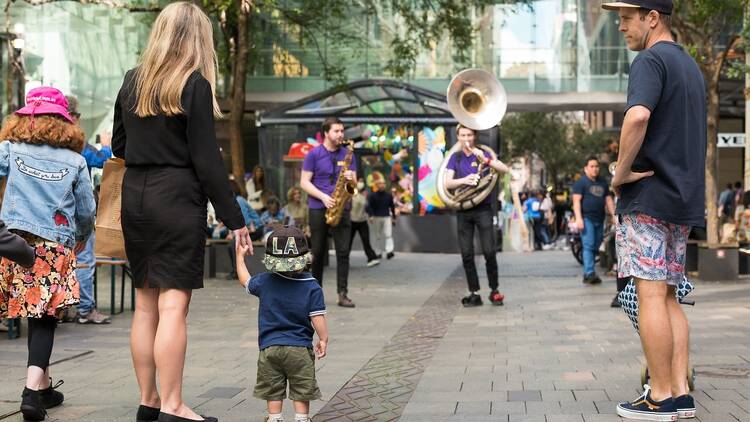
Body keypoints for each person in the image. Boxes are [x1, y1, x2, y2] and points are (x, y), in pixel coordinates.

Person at [112, 3, 252, 422]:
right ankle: (174, 405)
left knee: (145, 305)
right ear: (197, 38)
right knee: (173, 308)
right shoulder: (192, 84)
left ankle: (149, 400)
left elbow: (119, 145)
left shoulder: (132, 81)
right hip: (175, 197)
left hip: (134, 197)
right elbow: (207, 161)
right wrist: (236, 218)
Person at [603, 0, 706, 420]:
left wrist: (619, 174)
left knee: (648, 293)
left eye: (627, 18)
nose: (620, 26)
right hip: (681, 200)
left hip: (648, 197)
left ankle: (659, 396)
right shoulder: (691, 67)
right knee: (668, 296)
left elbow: (638, 116)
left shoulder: (650, 60)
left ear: (652, 18)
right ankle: (681, 393)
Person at [0, 87, 97, 421]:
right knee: (44, 318)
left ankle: (42, 388)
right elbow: (86, 209)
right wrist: (82, 237)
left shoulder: (9, 149)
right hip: (53, 247)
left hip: (14, 243)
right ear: (64, 123)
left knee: (33, 312)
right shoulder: (75, 160)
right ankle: (31, 394)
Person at [235, 227, 327, 422]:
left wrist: (240, 258)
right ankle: (301, 419)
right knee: (302, 387)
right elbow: (317, 317)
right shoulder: (311, 285)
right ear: (304, 258)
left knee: (273, 388)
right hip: (299, 349)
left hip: (269, 348)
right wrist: (323, 339)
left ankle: (275, 418)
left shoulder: (265, 281)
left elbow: (245, 281)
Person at [444, 124, 509, 307]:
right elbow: (448, 183)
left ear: (475, 136)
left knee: (489, 251)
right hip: (464, 209)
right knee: (467, 254)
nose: (466, 138)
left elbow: (504, 169)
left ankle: (494, 290)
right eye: (463, 135)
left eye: (469, 135)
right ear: (458, 136)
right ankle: (474, 292)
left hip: (483, 209)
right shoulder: (455, 158)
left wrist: (486, 161)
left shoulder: (482, 154)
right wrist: (465, 180)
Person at [300, 117, 357, 308]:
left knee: (343, 252)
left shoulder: (348, 154)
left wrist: (350, 179)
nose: (341, 134)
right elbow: (304, 182)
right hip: (318, 207)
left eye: (342, 131)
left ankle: (343, 293)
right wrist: (323, 197)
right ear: (326, 133)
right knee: (317, 251)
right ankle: (315, 294)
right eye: (337, 131)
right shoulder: (313, 154)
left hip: (341, 208)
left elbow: (354, 184)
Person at [67, 95, 113, 325]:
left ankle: (61, 309)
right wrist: (106, 145)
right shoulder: (76, 142)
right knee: (84, 259)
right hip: (76, 211)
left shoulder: (45, 142)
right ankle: (85, 309)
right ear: (73, 117)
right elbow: (100, 161)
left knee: (62, 260)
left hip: (56, 215)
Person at [572, 156, 615, 285]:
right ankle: (589, 273)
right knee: (589, 245)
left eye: (596, 166)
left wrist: (614, 215)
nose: (595, 169)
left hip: (600, 219)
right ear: (586, 168)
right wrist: (578, 218)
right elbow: (576, 202)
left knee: (596, 245)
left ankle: (588, 273)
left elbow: (608, 200)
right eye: (592, 166)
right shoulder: (581, 183)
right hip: (586, 219)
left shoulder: (602, 182)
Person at [226, 180, 262, 280]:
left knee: (234, 244)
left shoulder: (239, 200)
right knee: (232, 244)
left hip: (255, 229)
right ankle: (235, 270)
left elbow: (245, 221)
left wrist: (233, 235)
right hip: (246, 229)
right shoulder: (234, 200)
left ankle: (236, 272)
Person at [349, 180, 379, 267]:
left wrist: (370, 216)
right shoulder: (350, 196)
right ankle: (344, 260)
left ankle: (372, 258)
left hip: (362, 221)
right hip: (351, 221)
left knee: (366, 240)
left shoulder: (363, 198)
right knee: (348, 242)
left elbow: (368, 207)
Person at [367, 177, 397, 260]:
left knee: (388, 234)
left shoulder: (389, 195)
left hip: (387, 217)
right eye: (380, 183)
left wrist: (394, 217)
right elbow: (370, 207)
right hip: (376, 217)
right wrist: (371, 216)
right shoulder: (373, 195)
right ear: (377, 185)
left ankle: (389, 251)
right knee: (377, 236)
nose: (382, 185)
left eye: (383, 183)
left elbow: (392, 206)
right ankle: (378, 252)